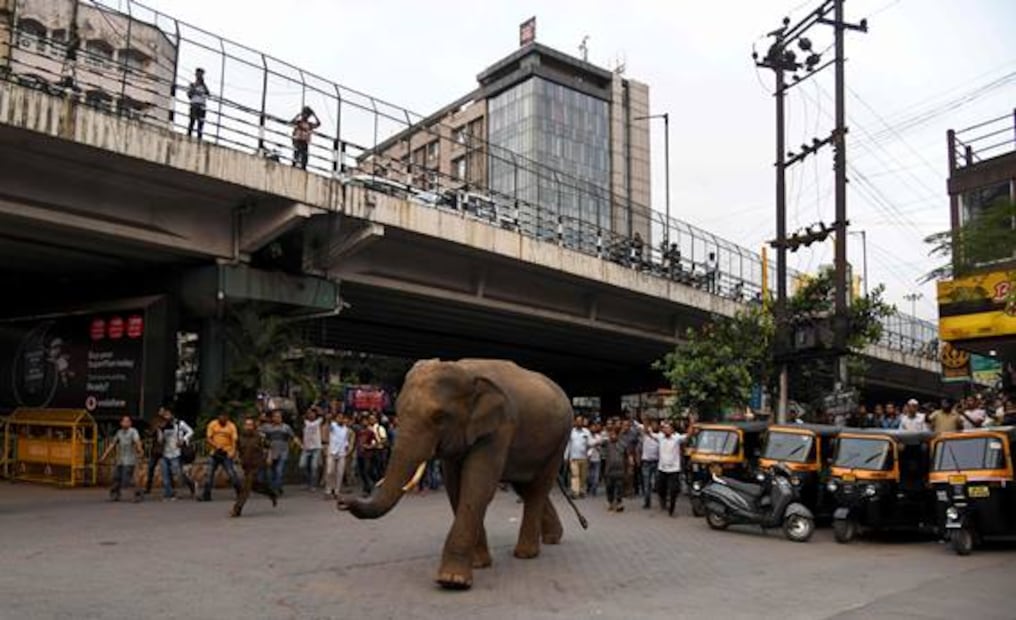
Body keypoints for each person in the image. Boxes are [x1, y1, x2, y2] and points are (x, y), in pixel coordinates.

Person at [231, 417, 278, 517]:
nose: (248, 427)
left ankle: (237, 509)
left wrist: (269, 458)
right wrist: (235, 458)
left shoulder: (259, 437)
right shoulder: (240, 438)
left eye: (250, 425)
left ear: (254, 426)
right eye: (246, 425)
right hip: (246, 466)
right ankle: (270, 493)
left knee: (245, 488)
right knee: (254, 486)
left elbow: (269, 447)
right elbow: (237, 450)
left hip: (257, 465)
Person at [199, 411, 241, 501]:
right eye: (221, 417)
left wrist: (233, 452)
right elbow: (208, 438)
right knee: (209, 474)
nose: (222, 419)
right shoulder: (213, 424)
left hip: (226, 452)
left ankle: (239, 493)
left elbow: (234, 440)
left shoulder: (231, 426)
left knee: (231, 473)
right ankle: (206, 495)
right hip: (215, 452)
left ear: (227, 418)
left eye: (224, 417)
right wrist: (215, 445)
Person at [100, 415, 142, 502]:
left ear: (130, 423)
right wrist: (104, 456)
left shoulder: (133, 431)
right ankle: (115, 494)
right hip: (120, 460)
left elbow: (137, 441)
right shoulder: (119, 433)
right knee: (116, 477)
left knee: (127, 479)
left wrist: (140, 449)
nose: (126, 423)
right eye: (124, 421)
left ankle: (137, 494)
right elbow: (112, 444)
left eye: (128, 421)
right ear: (121, 423)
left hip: (130, 460)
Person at [159, 405, 196, 500]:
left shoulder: (180, 424)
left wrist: (183, 439)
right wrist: (161, 433)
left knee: (178, 474)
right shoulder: (162, 426)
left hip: (176, 453)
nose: (166, 416)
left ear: (172, 415)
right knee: (165, 474)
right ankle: (169, 494)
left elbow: (190, 431)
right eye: (165, 415)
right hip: (165, 453)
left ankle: (191, 484)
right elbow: (159, 440)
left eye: (168, 414)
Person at [650, 421, 687, 516]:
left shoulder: (677, 438)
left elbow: (688, 435)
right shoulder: (660, 437)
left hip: (674, 469)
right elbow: (648, 432)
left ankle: (672, 509)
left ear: (672, 430)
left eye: (668, 428)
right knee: (659, 488)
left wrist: (692, 423)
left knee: (673, 490)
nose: (666, 430)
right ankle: (663, 502)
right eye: (664, 428)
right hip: (662, 469)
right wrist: (645, 420)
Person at [260, 410, 299, 496]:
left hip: (283, 451)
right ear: (272, 418)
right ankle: (277, 486)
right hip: (271, 452)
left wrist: (299, 444)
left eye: (279, 417)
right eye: (275, 417)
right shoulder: (267, 427)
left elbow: (293, 437)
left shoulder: (286, 427)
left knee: (279, 470)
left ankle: (276, 489)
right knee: (272, 472)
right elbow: (259, 433)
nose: (277, 418)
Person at [325, 412, 352, 498]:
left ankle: (337, 491)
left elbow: (346, 440)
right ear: (336, 419)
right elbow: (329, 424)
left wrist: (347, 449)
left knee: (339, 473)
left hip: (341, 452)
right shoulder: (333, 426)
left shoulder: (346, 429)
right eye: (338, 418)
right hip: (332, 451)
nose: (340, 419)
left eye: (342, 418)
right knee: (330, 471)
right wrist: (328, 418)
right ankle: (328, 489)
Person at [602, 428, 628, 512]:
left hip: (620, 470)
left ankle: (619, 502)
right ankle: (610, 502)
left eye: (614, 434)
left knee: (619, 487)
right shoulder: (607, 444)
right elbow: (599, 443)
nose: (612, 436)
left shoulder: (622, 444)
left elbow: (626, 454)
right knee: (610, 487)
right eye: (611, 434)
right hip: (609, 470)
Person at [298, 407, 324, 492]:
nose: (311, 415)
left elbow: (323, 414)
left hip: (316, 447)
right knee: (302, 465)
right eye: (309, 413)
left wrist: (315, 407)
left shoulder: (318, 421)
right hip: (306, 447)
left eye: (313, 413)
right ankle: (308, 482)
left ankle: (313, 485)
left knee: (314, 467)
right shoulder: (304, 422)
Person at [567, 416, 593, 499]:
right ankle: (575, 492)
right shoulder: (571, 432)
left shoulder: (587, 432)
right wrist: (566, 456)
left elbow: (591, 444)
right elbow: (568, 444)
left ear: (582, 422)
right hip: (573, 457)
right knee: (575, 475)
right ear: (575, 422)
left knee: (583, 476)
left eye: (580, 421)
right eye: (577, 421)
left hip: (584, 457)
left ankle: (581, 490)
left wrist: (589, 453)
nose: (579, 423)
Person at [637, 419, 660, 509]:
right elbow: (644, 429)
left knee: (657, 483)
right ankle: (647, 501)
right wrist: (645, 420)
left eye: (656, 425)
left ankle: (662, 500)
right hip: (646, 462)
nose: (654, 426)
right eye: (652, 424)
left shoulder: (659, 436)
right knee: (646, 484)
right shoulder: (645, 436)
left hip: (656, 462)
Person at [142, 414, 166, 496]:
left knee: (166, 470)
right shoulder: (156, 430)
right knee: (150, 468)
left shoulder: (166, 430)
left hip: (164, 452)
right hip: (155, 452)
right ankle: (148, 488)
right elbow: (150, 434)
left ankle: (170, 488)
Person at [291, 106, 320, 170]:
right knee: (296, 155)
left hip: (305, 141)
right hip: (298, 140)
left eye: (307, 115)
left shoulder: (309, 124)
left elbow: (318, 124)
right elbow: (292, 122)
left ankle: (303, 167)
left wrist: (314, 115)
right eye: (305, 114)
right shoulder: (299, 122)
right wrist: (298, 115)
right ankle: (294, 165)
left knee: (304, 157)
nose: (306, 116)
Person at [186, 68, 209, 139]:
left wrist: (203, 84)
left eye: (201, 74)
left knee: (200, 123)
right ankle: (189, 135)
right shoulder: (192, 85)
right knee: (192, 121)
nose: (200, 76)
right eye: (198, 74)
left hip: (202, 105)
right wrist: (194, 88)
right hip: (194, 104)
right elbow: (189, 95)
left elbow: (208, 94)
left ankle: (199, 137)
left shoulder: (204, 86)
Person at [585, 421, 605, 497]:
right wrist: (596, 443)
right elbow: (588, 444)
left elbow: (600, 445)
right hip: (588, 458)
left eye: (595, 427)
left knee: (596, 476)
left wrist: (596, 443)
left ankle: (594, 489)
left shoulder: (599, 436)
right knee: (589, 475)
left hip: (597, 458)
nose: (594, 428)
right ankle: (589, 486)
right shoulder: (587, 436)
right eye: (592, 427)